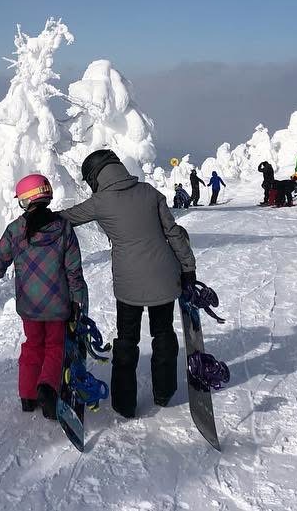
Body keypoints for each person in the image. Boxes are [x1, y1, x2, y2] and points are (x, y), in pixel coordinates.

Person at [60, 150, 197, 419]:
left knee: (126, 341)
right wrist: (188, 268)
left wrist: (36, 214)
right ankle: (164, 392)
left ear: (95, 177)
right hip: (164, 276)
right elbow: (173, 233)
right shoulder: (150, 192)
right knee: (164, 333)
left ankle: (125, 404)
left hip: (129, 285)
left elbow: (65, 219)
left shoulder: (99, 202)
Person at [0, 174, 87, 419]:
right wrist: (78, 300)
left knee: (33, 345)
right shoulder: (63, 228)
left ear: (26, 200)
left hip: (29, 305)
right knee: (55, 346)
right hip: (58, 305)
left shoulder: (15, 230)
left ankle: (27, 396)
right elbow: (74, 270)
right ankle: (48, 388)